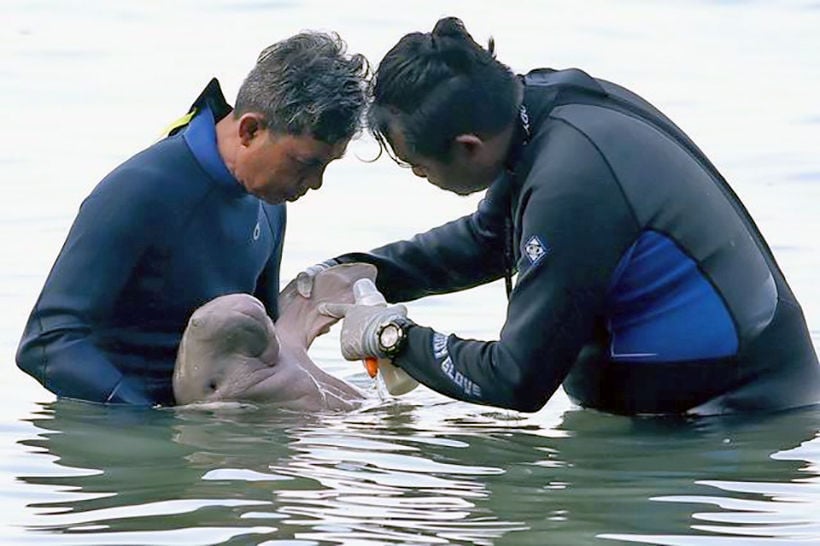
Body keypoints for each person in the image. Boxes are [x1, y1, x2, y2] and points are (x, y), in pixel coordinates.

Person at [306, 16, 820, 415]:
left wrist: (394, 338)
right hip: (704, 410)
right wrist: (363, 270)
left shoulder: (573, 185)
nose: (419, 176)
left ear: (468, 146)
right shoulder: (535, 112)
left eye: (417, 166)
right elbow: (492, 238)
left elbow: (517, 380)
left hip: (735, 421)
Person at [16, 32, 369, 406]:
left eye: (326, 166)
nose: (315, 184)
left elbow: (266, 343)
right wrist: (151, 425)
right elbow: (46, 344)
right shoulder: (141, 190)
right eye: (305, 164)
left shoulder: (270, 203)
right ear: (250, 130)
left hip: (212, 433)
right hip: (124, 436)